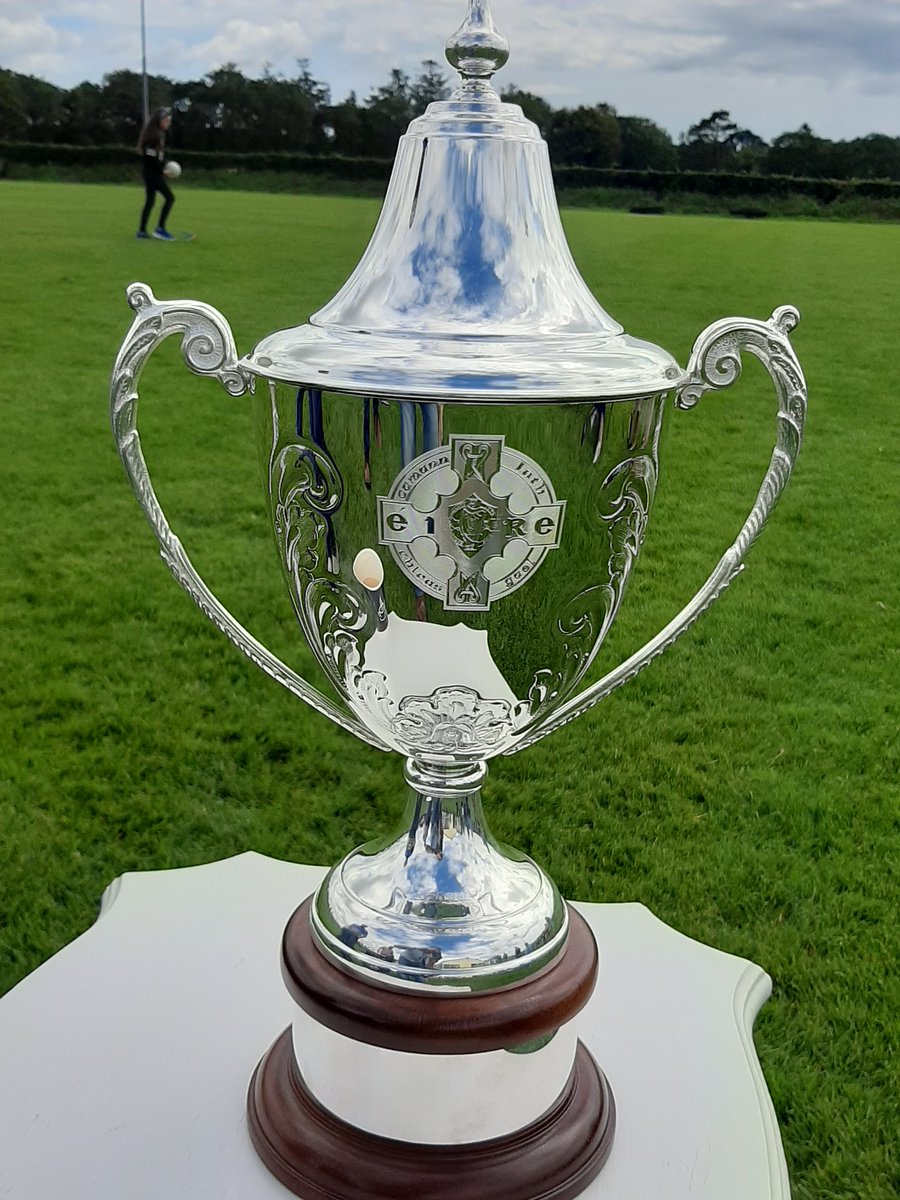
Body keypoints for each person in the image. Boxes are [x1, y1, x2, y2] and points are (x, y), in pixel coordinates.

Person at [136, 108, 176, 241]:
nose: (168, 123)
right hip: (152, 174)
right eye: (166, 121)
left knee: (150, 201)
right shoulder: (154, 136)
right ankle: (160, 229)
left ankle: (142, 231)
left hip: (151, 173)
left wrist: (164, 165)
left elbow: (158, 157)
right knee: (170, 198)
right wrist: (162, 171)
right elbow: (150, 158)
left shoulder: (158, 135)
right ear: (159, 121)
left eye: (169, 121)